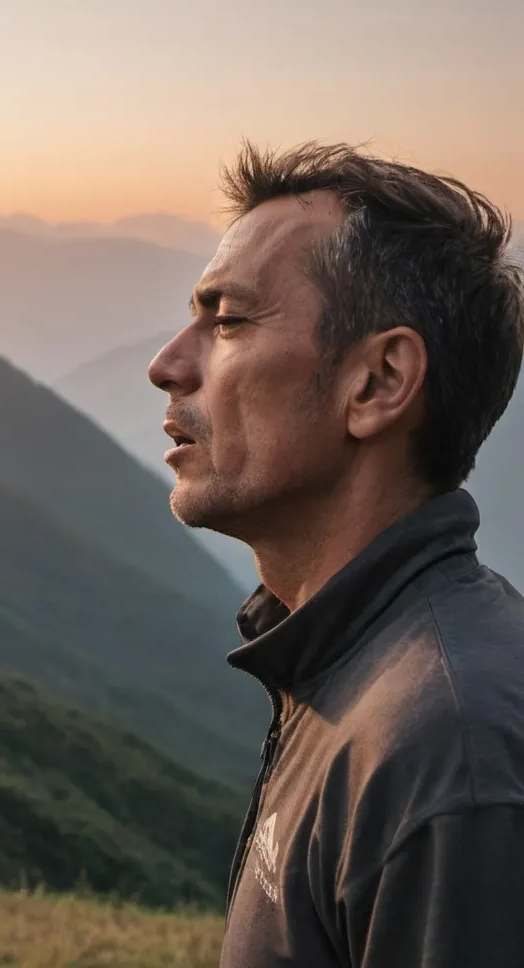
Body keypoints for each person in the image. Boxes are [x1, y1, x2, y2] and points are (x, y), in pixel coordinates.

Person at [148, 142, 524, 967]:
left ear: (379, 383)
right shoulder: (350, 665)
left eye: (228, 320)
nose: (167, 365)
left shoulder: (450, 759)